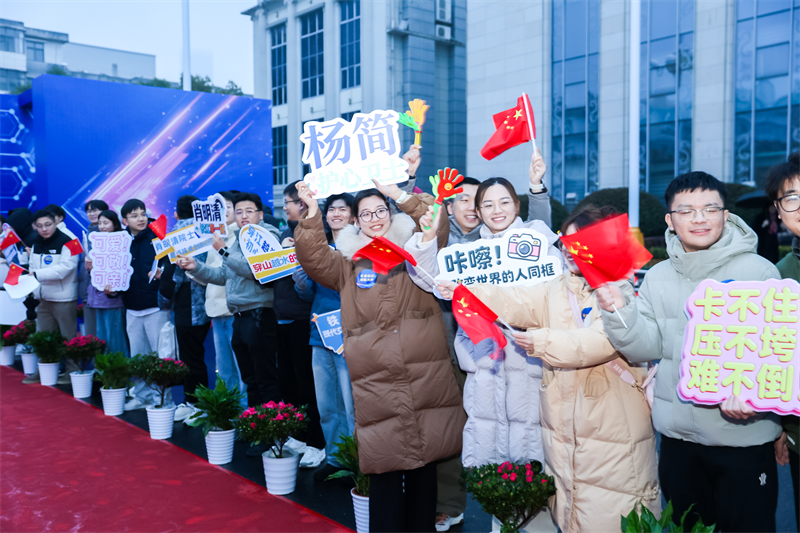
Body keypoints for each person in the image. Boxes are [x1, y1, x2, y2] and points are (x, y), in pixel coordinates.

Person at [437, 205, 661, 532]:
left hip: (612, 423)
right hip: (564, 426)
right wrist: (467, 289)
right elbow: (514, 301)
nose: (571, 252)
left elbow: (597, 342)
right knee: (571, 506)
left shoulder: (620, 290)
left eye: (580, 244)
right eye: (565, 244)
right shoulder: (556, 286)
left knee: (611, 508)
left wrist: (540, 342)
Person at [596, 171, 781, 533]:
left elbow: (778, 352)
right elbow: (643, 346)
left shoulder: (760, 273)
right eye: (686, 210)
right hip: (678, 442)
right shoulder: (658, 276)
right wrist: (619, 309)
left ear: (726, 215)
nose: (699, 218)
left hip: (742, 438)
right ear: (670, 219)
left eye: (709, 208)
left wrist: (755, 396)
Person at [293, 181, 466, 533]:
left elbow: (438, 223)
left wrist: (402, 193)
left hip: (424, 369)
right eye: (367, 214)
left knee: (425, 461)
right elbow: (312, 257)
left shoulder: (417, 246)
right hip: (376, 375)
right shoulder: (346, 262)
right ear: (356, 220)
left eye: (381, 210)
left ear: (391, 212)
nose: (375, 219)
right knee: (385, 460)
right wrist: (311, 212)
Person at [431, 152, 552, 532]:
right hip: (485, 365)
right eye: (487, 204)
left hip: (527, 363)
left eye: (504, 202)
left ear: (517, 206)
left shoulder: (534, 241)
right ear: (477, 212)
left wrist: (537, 187)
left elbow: (544, 236)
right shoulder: (465, 256)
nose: (496, 210)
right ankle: (501, 522)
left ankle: (534, 523)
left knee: (532, 451)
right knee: (492, 451)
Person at [178, 192, 282, 455]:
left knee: (265, 378)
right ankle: (254, 427)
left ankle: (270, 434)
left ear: (260, 213)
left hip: (260, 314)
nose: (243, 216)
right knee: (250, 378)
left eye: (249, 211)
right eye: (239, 211)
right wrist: (194, 267)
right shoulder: (236, 239)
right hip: (239, 316)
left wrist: (222, 249)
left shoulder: (266, 234)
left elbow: (256, 270)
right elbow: (224, 275)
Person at [293, 193, 357, 481]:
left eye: (343, 209)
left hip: (350, 336)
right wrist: (301, 282)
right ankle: (335, 458)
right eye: (331, 209)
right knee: (327, 404)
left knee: (352, 404)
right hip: (320, 334)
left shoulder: (359, 250)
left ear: (353, 216)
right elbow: (307, 295)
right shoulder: (318, 249)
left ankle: (357, 462)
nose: (336, 214)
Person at [275, 181, 327, 469]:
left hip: (304, 318)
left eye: (289, 202)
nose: (285, 207)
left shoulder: (315, 234)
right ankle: (296, 434)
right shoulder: (286, 232)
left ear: (304, 204)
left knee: (309, 386)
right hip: (282, 316)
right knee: (289, 382)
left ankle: (317, 442)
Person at [764, 153, 800, 533]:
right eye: (791, 198)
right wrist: (781, 428)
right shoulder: (780, 277)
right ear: (779, 209)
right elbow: (777, 357)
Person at [159, 195, 211, 422]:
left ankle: (196, 404)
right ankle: (195, 402)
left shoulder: (176, 235)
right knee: (195, 356)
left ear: (176, 213)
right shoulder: (207, 231)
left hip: (187, 303)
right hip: (206, 301)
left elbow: (174, 275)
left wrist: (163, 298)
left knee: (191, 357)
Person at [120, 199, 170, 410]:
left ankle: (163, 399)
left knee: (161, 355)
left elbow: (173, 266)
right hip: (131, 306)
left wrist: (163, 275)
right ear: (125, 220)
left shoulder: (159, 237)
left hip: (155, 306)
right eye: (134, 215)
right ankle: (141, 396)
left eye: (143, 214)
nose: (140, 219)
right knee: (137, 357)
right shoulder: (120, 241)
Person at [23, 209, 80, 384]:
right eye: (39, 226)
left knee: (68, 337)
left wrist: (37, 274)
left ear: (56, 222)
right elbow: (32, 265)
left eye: (48, 224)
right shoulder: (36, 242)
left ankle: (73, 372)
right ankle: (44, 369)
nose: (44, 229)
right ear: (34, 227)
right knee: (43, 336)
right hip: (42, 298)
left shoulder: (70, 240)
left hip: (64, 297)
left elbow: (66, 268)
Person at [201, 191, 246, 406]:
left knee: (241, 368)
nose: (225, 211)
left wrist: (223, 250)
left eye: (229, 207)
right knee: (224, 368)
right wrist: (192, 267)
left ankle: (246, 416)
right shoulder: (214, 237)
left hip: (234, 311)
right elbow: (212, 275)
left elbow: (233, 272)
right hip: (216, 311)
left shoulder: (242, 236)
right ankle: (229, 413)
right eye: (222, 207)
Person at [84, 210, 129, 357]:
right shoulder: (96, 244)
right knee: (102, 338)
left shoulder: (123, 242)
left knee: (115, 337)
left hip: (114, 300)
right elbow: (96, 273)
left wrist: (115, 290)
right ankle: (104, 373)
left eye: (106, 222)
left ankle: (119, 372)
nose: (102, 226)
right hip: (98, 297)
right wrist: (90, 269)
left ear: (115, 224)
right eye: (100, 223)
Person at [79, 199, 109, 338]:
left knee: (106, 333)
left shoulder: (111, 235)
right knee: (92, 334)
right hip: (88, 290)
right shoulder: (86, 234)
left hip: (106, 292)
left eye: (95, 210)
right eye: (89, 211)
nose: (91, 213)